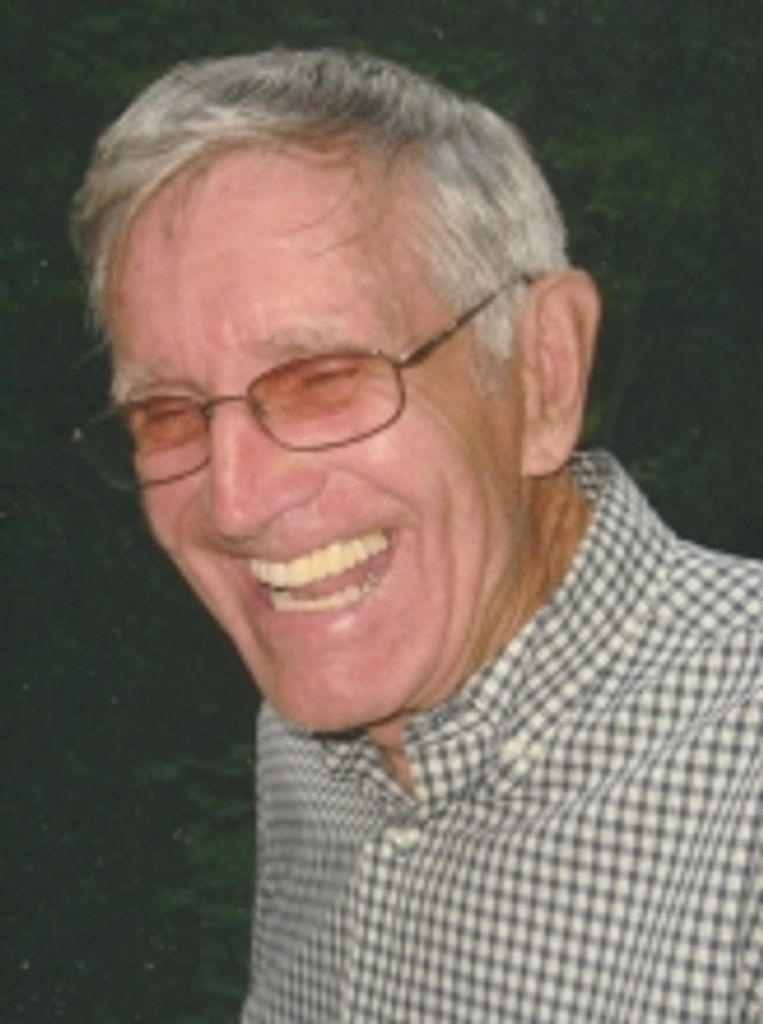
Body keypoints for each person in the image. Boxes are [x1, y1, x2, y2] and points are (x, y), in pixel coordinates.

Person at [71, 49, 761, 1023]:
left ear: (544, 373)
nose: (234, 503)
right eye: (169, 415)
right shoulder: (310, 736)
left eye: (322, 379)